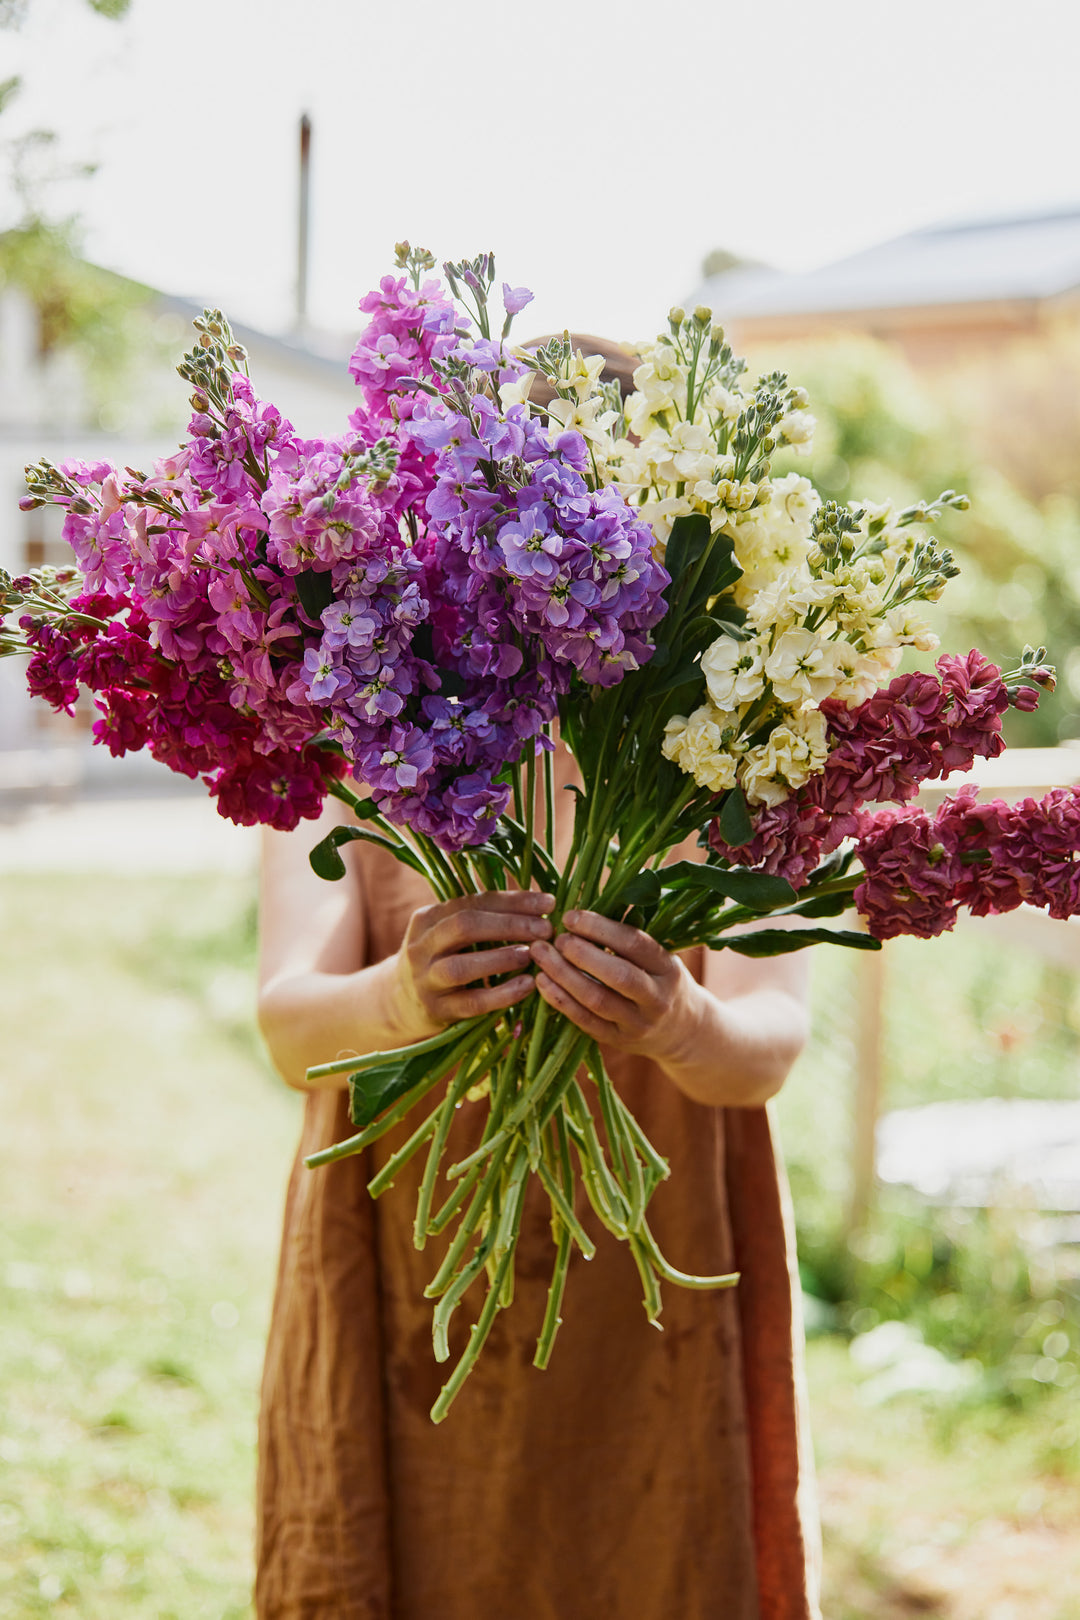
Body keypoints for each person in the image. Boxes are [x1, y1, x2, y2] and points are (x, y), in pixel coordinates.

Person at [253, 342, 821, 1620]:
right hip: (410, 1262)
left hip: (656, 1263)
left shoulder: (738, 740)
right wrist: (403, 998)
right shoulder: (359, 722)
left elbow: (772, 1041)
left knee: (652, 1558)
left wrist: (675, 1023)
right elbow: (291, 1029)